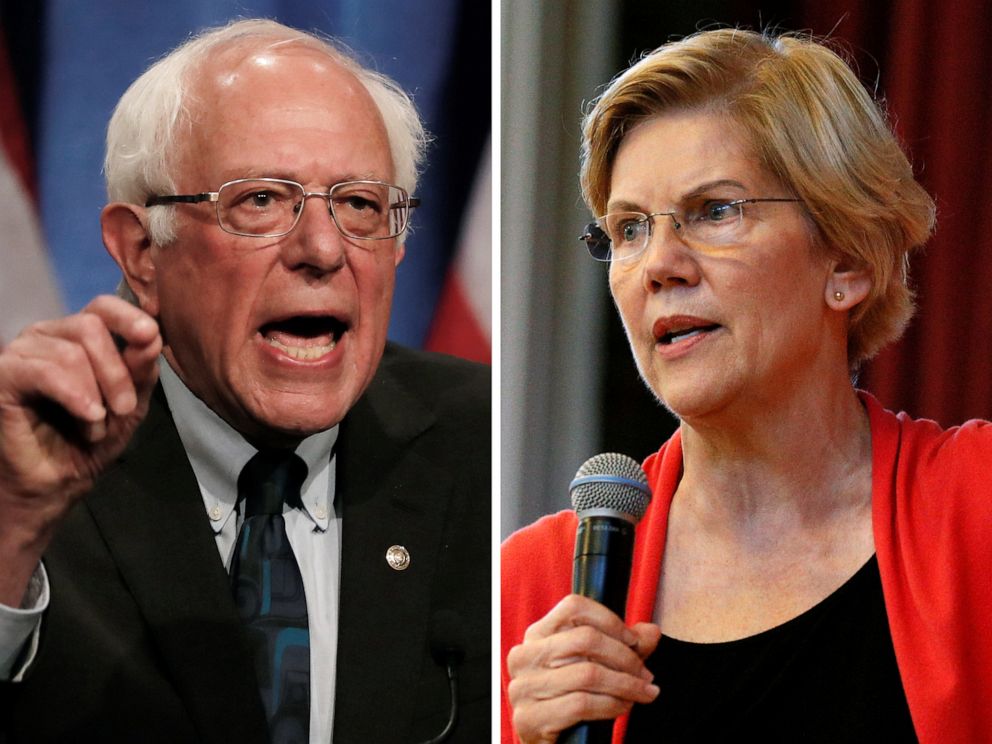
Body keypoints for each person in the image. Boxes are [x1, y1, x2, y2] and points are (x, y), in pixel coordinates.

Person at [0, 19, 489, 744]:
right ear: (141, 252)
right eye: (260, 199)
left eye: (359, 204)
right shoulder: (29, 469)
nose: (322, 249)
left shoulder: (484, 447)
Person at [501, 28, 992, 744]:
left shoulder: (976, 510)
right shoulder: (536, 584)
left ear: (847, 259)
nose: (659, 265)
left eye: (715, 212)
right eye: (629, 228)